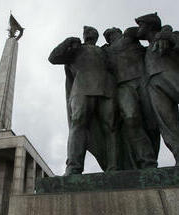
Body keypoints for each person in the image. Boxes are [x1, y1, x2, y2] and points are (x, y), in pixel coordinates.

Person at [49, 26, 117, 174]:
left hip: (106, 90)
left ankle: (113, 166)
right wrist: (68, 41)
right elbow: (53, 58)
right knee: (78, 123)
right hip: (82, 89)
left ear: (96, 36)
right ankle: (74, 166)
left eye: (92, 32)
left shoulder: (104, 51)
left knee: (111, 127)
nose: (89, 34)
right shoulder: (75, 49)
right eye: (87, 32)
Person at [103, 27, 158, 169]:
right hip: (123, 87)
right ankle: (147, 161)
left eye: (112, 31)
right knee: (131, 118)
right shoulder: (105, 51)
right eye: (108, 35)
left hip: (144, 81)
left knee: (152, 122)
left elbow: (150, 30)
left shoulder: (129, 36)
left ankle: (152, 158)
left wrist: (165, 32)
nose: (110, 34)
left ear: (119, 31)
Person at [136, 13, 179, 166]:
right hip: (152, 84)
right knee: (167, 123)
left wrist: (167, 36)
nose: (138, 29)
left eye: (141, 25)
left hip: (170, 74)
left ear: (150, 25)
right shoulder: (144, 49)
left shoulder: (168, 35)